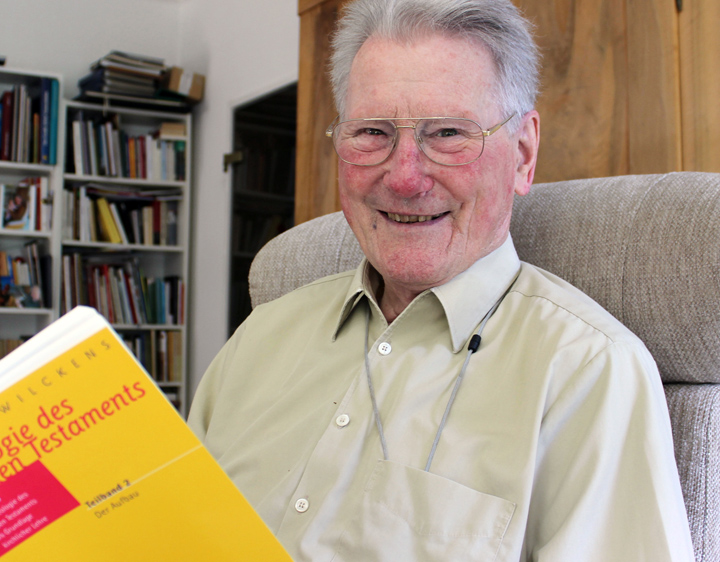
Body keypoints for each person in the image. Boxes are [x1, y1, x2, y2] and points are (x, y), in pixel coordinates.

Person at [188, 0, 695, 560]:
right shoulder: (257, 338)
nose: (405, 177)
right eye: (372, 132)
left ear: (523, 154)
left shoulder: (587, 370)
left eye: (449, 133)